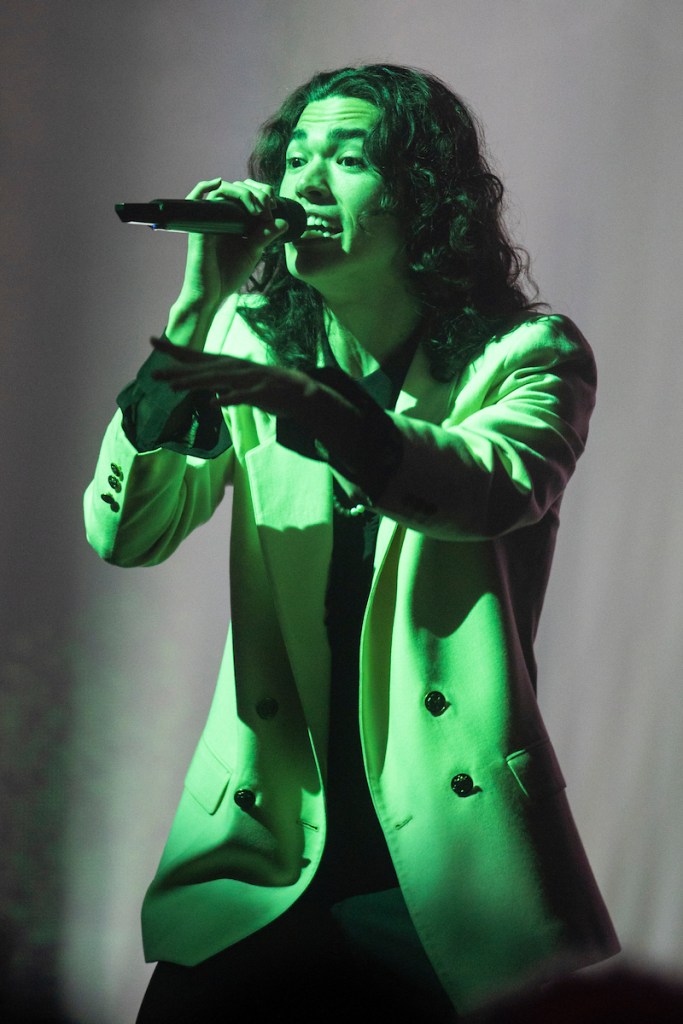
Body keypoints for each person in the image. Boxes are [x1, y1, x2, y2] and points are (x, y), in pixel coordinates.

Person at [84, 64, 619, 1021]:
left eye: (348, 158)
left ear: (424, 196)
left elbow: (493, 486)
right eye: (295, 158)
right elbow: (127, 534)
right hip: (262, 846)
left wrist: (323, 411)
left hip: (444, 863)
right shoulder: (250, 340)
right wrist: (196, 310)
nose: (306, 182)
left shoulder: (527, 354)